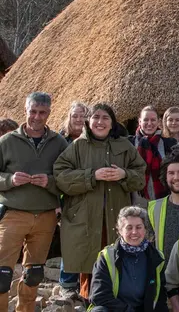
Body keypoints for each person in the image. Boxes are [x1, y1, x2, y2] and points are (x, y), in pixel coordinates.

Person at [55, 103, 147, 300]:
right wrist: (92, 176)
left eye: (106, 118)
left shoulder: (125, 146)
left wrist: (124, 174)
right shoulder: (78, 146)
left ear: (112, 123)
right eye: (96, 117)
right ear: (89, 121)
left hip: (116, 216)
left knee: (116, 262)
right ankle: (91, 302)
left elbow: (140, 176)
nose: (100, 122)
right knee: (89, 263)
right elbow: (61, 176)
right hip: (86, 216)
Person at [0, 92, 68, 312]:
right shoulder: (7, 141)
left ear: (49, 113)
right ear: (25, 111)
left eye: (43, 112)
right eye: (33, 111)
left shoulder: (59, 143)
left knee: (34, 274)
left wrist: (50, 182)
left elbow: (68, 179)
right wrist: (10, 179)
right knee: (2, 274)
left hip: (45, 217)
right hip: (13, 215)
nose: (37, 117)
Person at [88, 206, 167, 312]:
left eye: (139, 227)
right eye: (129, 228)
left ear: (145, 229)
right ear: (120, 230)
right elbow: (99, 296)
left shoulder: (156, 257)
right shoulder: (106, 257)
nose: (134, 232)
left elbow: (160, 298)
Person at [58, 101, 89, 297]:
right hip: (67, 198)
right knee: (70, 238)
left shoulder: (91, 142)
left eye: (82, 116)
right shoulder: (61, 142)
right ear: (69, 118)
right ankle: (67, 282)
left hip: (88, 196)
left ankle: (85, 284)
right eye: (75, 115)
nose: (78, 119)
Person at [129, 105, 177, 202]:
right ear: (139, 121)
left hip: (164, 199)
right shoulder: (129, 143)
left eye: (153, 120)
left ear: (158, 121)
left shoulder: (170, 143)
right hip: (136, 200)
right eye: (146, 120)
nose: (149, 123)